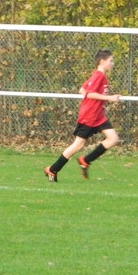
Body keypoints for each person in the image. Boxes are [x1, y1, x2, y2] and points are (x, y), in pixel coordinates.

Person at [44, 49, 120, 182]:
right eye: (111, 61)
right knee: (78, 145)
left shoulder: (97, 75)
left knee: (113, 139)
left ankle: (85, 160)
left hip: (98, 116)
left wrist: (101, 104)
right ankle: (53, 169)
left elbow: (82, 90)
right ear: (102, 62)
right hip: (89, 116)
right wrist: (110, 98)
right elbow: (89, 94)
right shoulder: (99, 76)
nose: (113, 63)